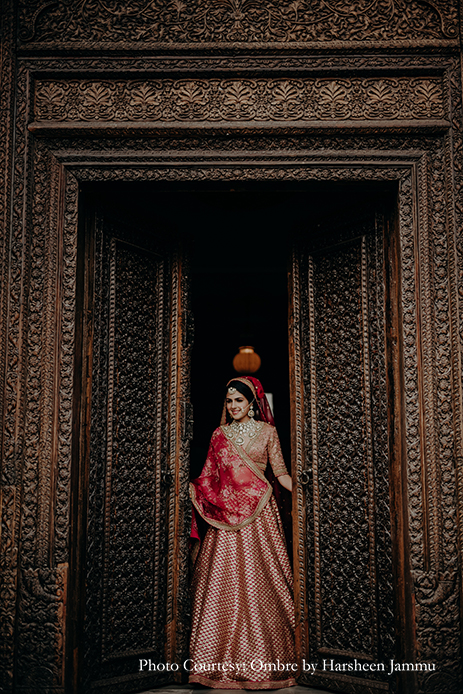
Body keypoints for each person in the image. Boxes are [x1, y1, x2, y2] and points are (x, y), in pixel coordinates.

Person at [189, 376, 296, 689]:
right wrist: (193, 489)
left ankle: (266, 662)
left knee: (263, 582)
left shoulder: (268, 433)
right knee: (221, 586)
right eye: (230, 401)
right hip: (225, 520)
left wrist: (306, 492)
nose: (234, 406)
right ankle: (213, 661)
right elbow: (208, 475)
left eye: (239, 400)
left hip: (260, 517)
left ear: (252, 404)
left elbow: (281, 473)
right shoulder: (218, 435)